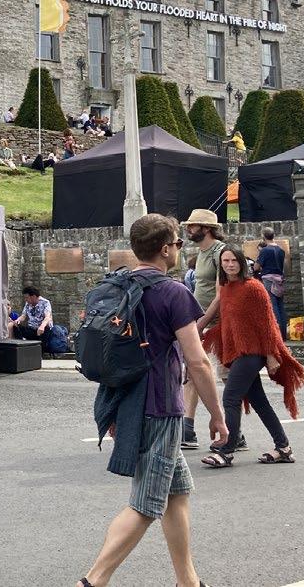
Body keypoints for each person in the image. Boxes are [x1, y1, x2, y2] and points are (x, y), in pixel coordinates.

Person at [76, 214, 228, 587]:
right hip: (160, 408)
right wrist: (218, 415)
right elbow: (198, 362)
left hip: (129, 402)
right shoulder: (173, 293)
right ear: (164, 249)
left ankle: (187, 581)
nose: (179, 248)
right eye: (177, 242)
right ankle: (92, 581)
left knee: (176, 494)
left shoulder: (120, 285)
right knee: (145, 506)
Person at [199, 245, 304, 469]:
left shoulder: (254, 288)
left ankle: (227, 451)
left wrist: (271, 355)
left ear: (241, 262)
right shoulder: (227, 289)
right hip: (239, 352)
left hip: (254, 352)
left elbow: (268, 324)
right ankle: (283, 448)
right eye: (225, 261)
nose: (230, 264)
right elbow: (229, 324)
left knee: (230, 397)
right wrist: (201, 332)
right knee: (259, 402)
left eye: (233, 260)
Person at [181, 208, 228, 451]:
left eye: (193, 225)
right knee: (193, 371)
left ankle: (233, 430)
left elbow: (221, 295)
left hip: (219, 323)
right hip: (200, 321)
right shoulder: (201, 252)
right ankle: (187, 429)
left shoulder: (220, 253)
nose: (189, 229)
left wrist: (200, 323)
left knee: (227, 376)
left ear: (207, 228)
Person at [255, 227, 288, 341]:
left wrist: (259, 255)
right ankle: (283, 335)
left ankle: (277, 336)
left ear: (263, 237)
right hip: (280, 281)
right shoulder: (281, 251)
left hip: (269, 280)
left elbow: (256, 267)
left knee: (273, 306)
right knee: (280, 306)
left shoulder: (265, 251)